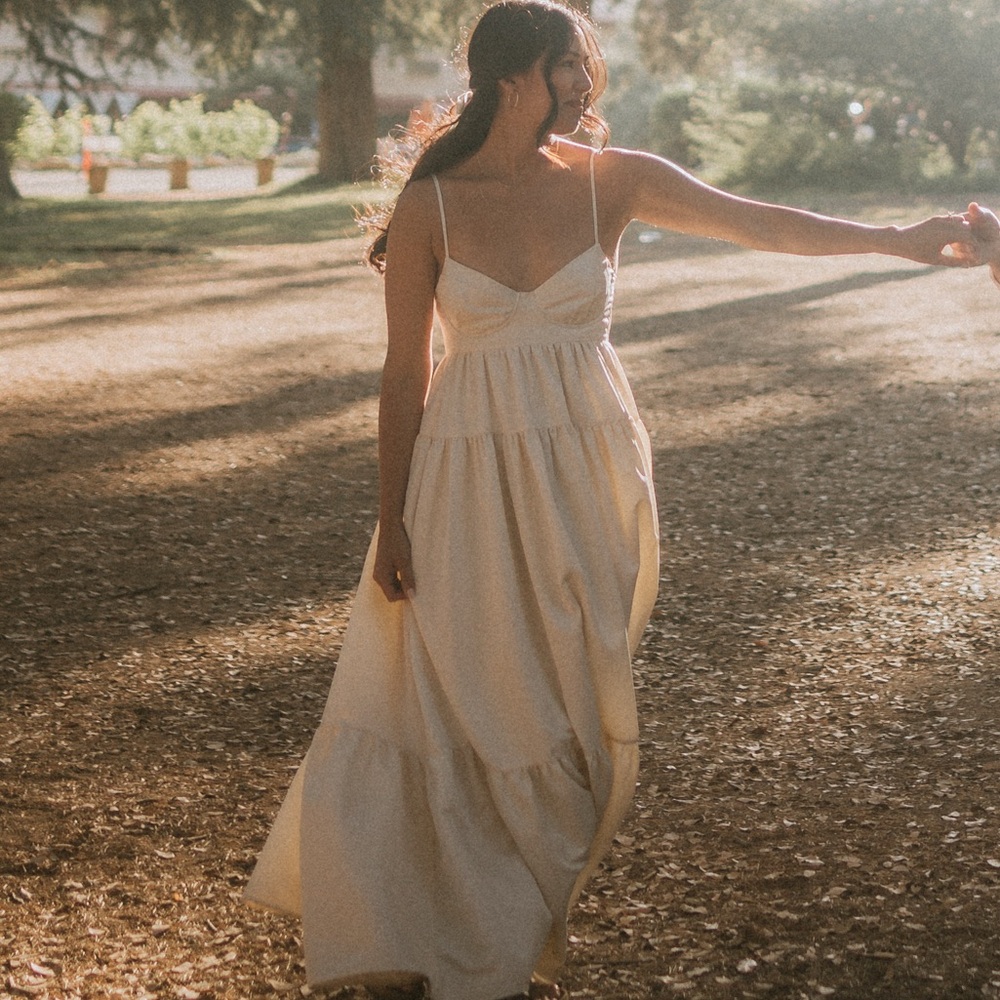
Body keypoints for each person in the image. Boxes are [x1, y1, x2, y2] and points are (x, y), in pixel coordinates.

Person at [244, 4, 993, 999]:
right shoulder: (431, 202)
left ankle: (511, 915)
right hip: (463, 476)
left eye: (585, 68)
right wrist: (394, 514)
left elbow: (756, 222)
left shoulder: (614, 181)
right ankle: (451, 939)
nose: (583, 87)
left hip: (586, 469)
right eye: (566, 68)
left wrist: (900, 238)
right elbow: (401, 376)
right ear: (512, 74)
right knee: (461, 695)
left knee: (567, 714)